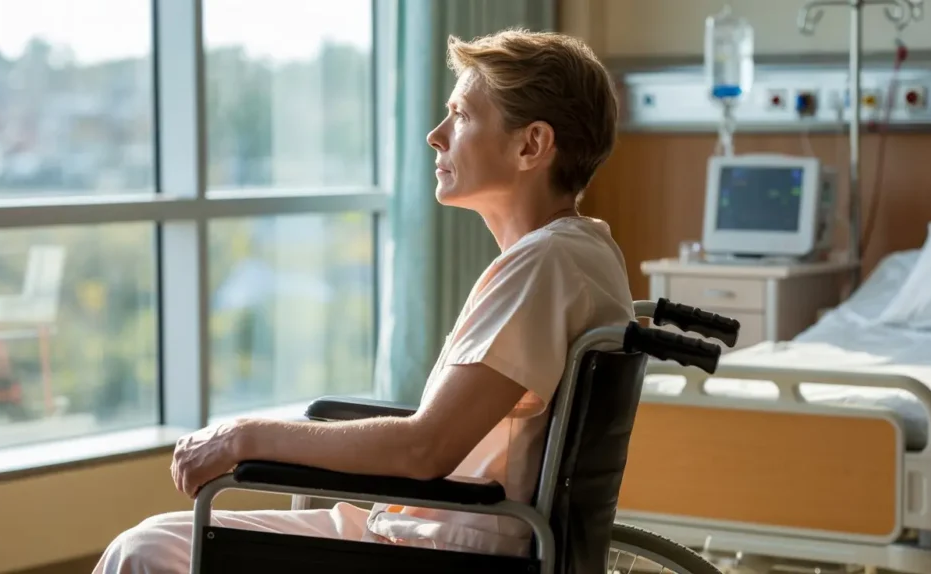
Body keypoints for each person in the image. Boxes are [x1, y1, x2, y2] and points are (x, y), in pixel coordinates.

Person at [93, 27, 632, 573]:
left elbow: (426, 448)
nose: (435, 136)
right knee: (154, 538)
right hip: (418, 527)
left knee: (146, 553)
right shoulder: (571, 255)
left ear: (531, 145)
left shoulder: (547, 264)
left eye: (463, 116)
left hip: (439, 546)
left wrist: (244, 436)